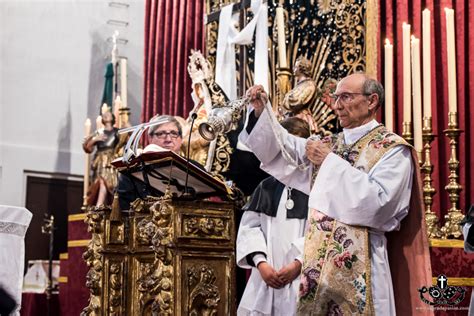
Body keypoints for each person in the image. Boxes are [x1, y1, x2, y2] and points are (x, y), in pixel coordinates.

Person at [239, 73, 432, 315]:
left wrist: (327, 162)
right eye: (336, 97)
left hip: (364, 262)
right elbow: (286, 151)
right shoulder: (331, 143)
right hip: (319, 268)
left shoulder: (392, 150)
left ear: (371, 101)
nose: (337, 105)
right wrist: (261, 114)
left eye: (346, 97)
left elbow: (379, 205)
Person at [236, 117, 310, 316]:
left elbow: (320, 231)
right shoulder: (266, 187)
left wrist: (298, 263)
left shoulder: (316, 186)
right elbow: (250, 229)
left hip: (302, 275)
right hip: (266, 277)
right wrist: (261, 263)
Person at [116, 115, 184, 210]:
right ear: (150, 138)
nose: (168, 139)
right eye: (161, 134)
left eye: (174, 133)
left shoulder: (193, 168)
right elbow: (124, 208)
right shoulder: (131, 170)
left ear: (181, 139)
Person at [83, 111, 120, 206]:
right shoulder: (99, 132)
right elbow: (87, 148)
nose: (106, 115)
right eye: (104, 115)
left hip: (111, 161)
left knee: (112, 184)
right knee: (101, 181)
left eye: (109, 114)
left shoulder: (117, 132)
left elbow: (127, 139)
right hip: (100, 161)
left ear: (113, 118)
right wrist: (95, 139)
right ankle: (99, 205)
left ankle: (108, 205)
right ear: (102, 120)